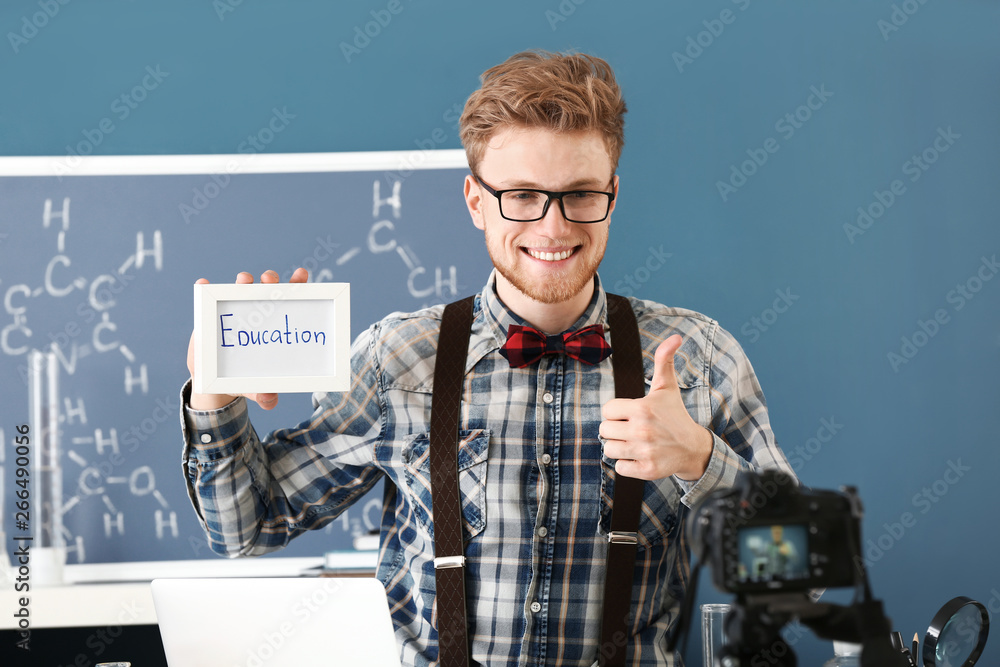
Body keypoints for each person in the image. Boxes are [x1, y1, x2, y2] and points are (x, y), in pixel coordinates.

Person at [181, 50, 794, 666]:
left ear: (612, 193)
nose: (552, 227)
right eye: (522, 195)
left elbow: (796, 577)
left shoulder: (698, 359)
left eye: (579, 194)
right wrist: (216, 393)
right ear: (475, 201)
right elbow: (246, 530)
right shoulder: (397, 361)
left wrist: (700, 461)